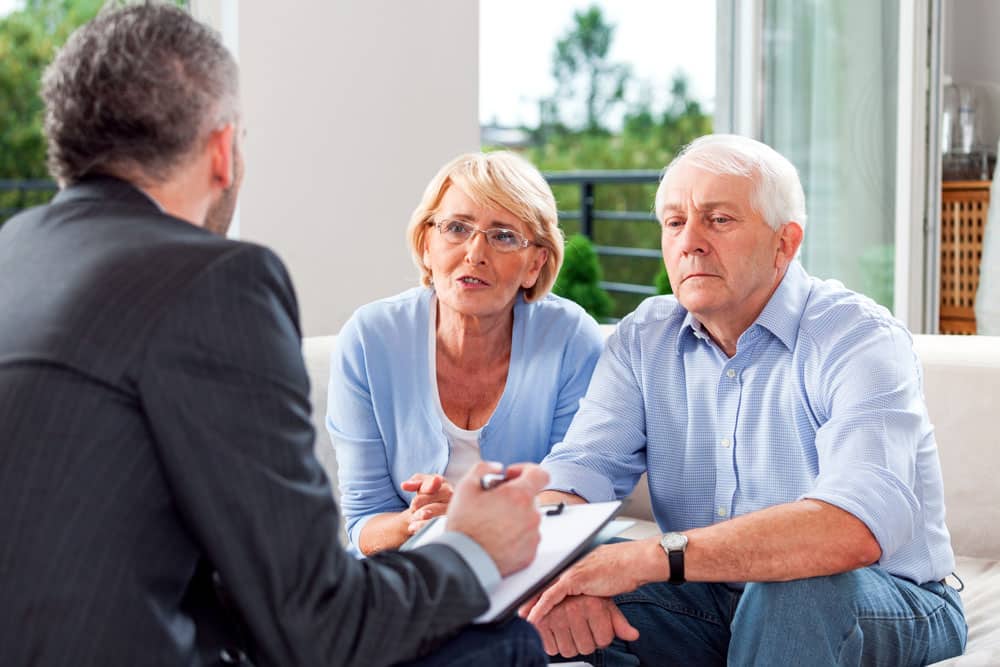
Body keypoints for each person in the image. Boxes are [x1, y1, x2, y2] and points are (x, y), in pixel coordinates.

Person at [0, 4, 550, 666]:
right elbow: (322, 626)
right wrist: (470, 546)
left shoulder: (14, 255)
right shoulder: (214, 281)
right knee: (505, 644)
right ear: (223, 150)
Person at [521, 134, 968, 665]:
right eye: (674, 222)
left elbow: (853, 528)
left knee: (791, 586)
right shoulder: (644, 337)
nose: (690, 241)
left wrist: (660, 555)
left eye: (719, 220)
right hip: (712, 597)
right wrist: (544, 559)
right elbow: (580, 472)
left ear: (786, 242)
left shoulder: (857, 336)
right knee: (563, 583)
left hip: (884, 597)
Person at [327, 151, 603, 555]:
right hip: (402, 572)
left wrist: (472, 517)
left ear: (535, 263)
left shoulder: (571, 340)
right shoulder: (369, 339)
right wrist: (418, 522)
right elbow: (364, 523)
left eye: (504, 236)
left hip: (529, 567)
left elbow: (572, 498)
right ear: (426, 245)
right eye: (456, 228)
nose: (475, 253)